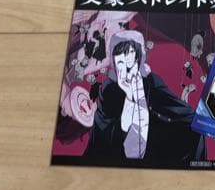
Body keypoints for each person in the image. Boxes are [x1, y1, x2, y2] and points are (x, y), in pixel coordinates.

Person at [84, 30, 207, 167]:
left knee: (193, 131)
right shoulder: (109, 88)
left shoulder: (150, 80)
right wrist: (129, 97)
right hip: (118, 151)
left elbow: (173, 105)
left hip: (151, 143)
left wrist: (196, 120)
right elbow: (104, 131)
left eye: (130, 53)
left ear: (138, 57)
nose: (126, 62)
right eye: (120, 59)